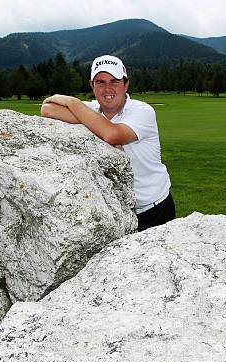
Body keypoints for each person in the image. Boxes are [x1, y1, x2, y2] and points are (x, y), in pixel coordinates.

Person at [40, 55, 175, 232]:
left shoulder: (143, 111)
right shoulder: (91, 110)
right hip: (120, 210)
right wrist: (94, 122)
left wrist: (73, 102)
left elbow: (112, 134)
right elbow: (47, 109)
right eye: (100, 82)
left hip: (155, 209)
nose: (107, 88)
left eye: (114, 81)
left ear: (126, 84)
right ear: (92, 86)